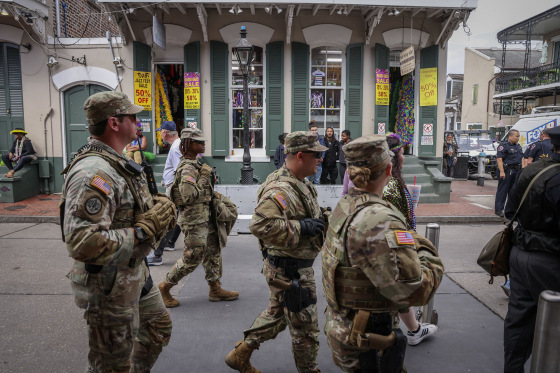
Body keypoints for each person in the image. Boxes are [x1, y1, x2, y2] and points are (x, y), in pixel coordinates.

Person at [60, 91, 175, 372]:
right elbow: (81, 241)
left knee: (158, 327)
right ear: (114, 123)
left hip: (135, 274)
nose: (139, 122)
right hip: (110, 286)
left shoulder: (117, 162)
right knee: (110, 365)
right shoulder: (95, 172)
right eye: (132, 117)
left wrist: (153, 206)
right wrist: (140, 232)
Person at [322, 134, 444, 372]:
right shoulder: (379, 219)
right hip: (367, 339)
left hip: (344, 326)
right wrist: (425, 250)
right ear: (389, 169)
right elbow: (415, 291)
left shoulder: (345, 206)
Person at [225, 131, 328, 373]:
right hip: (291, 269)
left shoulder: (299, 182)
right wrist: (301, 227)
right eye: (317, 156)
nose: (321, 160)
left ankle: (241, 353)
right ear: (300, 156)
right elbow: (260, 225)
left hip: (288, 265)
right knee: (305, 328)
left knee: (278, 314)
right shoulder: (281, 188)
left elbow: (304, 214)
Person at [158, 127, 239, 308]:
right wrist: (203, 177)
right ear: (187, 144)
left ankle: (215, 288)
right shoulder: (188, 167)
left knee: (212, 251)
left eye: (203, 141)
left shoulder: (195, 164)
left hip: (205, 217)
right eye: (198, 142)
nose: (203, 144)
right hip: (194, 221)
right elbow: (188, 196)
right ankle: (165, 287)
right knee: (192, 257)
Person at [503, 125, 560, 372]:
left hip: (520, 252)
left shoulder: (532, 170)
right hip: (550, 258)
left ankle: (512, 368)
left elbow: (508, 211)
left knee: (519, 319)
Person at [384, 133, 438, 346]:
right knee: (398, 287)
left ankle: (412, 328)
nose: (405, 158)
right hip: (396, 243)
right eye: (403, 153)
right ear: (395, 157)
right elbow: (397, 221)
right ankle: (411, 331)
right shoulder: (392, 185)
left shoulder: (391, 181)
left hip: (394, 240)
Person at [147, 120, 182, 266]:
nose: (160, 134)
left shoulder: (175, 148)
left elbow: (179, 171)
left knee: (167, 219)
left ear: (165, 133)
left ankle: (157, 255)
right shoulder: (178, 145)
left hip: (174, 188)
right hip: (176, 188)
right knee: (178, 217)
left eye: (161, 131)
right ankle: (170, 243)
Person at [495, 130, 523, 218]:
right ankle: (499, 209)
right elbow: (499, 159)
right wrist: (502, 171)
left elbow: (521, 158)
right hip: (507, 170)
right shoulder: (503, 146)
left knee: (513, 191)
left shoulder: (518, 146)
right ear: (510, 137)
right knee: (503, 190)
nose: (518, 138)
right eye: (516, 136)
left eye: (518, 136)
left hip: (516, 171)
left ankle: (510, 211)